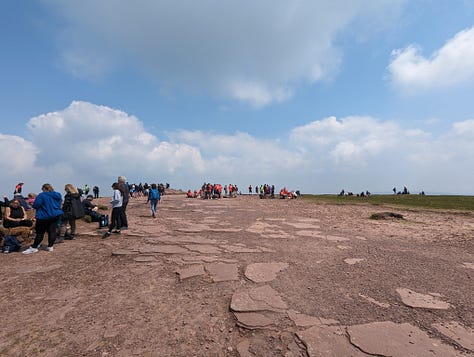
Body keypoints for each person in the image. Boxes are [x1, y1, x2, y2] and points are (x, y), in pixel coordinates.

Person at [23, 183, 63, 254]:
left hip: (43, 216)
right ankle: (50, 246)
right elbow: (59, 203)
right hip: (56, 214)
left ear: (44, 189)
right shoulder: (58, 195)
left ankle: (34, 247)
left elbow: (36, 205)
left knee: (40, 232)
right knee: (52, 231)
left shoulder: (41, 195)